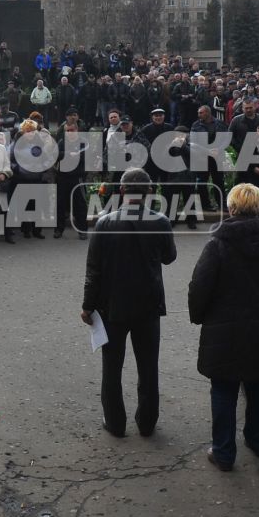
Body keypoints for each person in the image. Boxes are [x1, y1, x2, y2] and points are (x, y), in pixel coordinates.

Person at [186, 183, 259, 470]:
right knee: (258, 385)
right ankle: (258, 441)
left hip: (225, 326)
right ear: (258, 207)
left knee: (224, 389)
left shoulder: (218, 243)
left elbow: (200, 286)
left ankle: (223, 452)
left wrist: (198, 315)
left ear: (231, 208)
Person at [80, 167, 177, 438]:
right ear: (149, 191)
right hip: (148, 305)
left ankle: (115, 422)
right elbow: (170, 257)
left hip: (113, 307)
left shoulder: (104, 222)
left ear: (121, 190)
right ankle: (146, 423)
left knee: (111, 367)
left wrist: (87, 306)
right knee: (148, 366)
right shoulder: (160, 221)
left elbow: (94, 270)